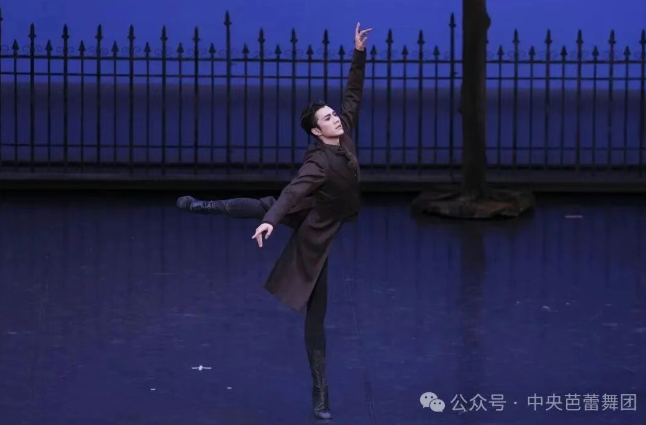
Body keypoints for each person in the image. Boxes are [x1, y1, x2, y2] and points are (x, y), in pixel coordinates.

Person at [176, 22, 371, 420]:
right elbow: (293, 192)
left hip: (321, 210)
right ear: (317, 130)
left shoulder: (344, 133)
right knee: (269, 214)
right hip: (314, 221)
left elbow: (353, 95)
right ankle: (321, 390)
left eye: (334, 114)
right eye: (328, 117)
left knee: (267, 208)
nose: (336, 118)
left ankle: (318, 385)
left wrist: (358, 53)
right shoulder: (318, 161)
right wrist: (271, 221)